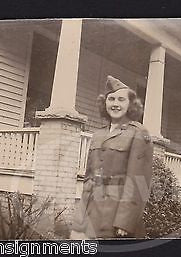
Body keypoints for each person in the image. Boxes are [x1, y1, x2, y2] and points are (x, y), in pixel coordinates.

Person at [71, 75, 154, 239]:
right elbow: (89, 177)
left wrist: (125, 222)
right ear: (105, 103)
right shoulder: (98, 134)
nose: (115, 104)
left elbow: (138, 182)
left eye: (121, 100)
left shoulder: (139, 134)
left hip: (115, 214)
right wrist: (79, 219)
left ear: (130, 104)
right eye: (111, 99)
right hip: (90, 210)